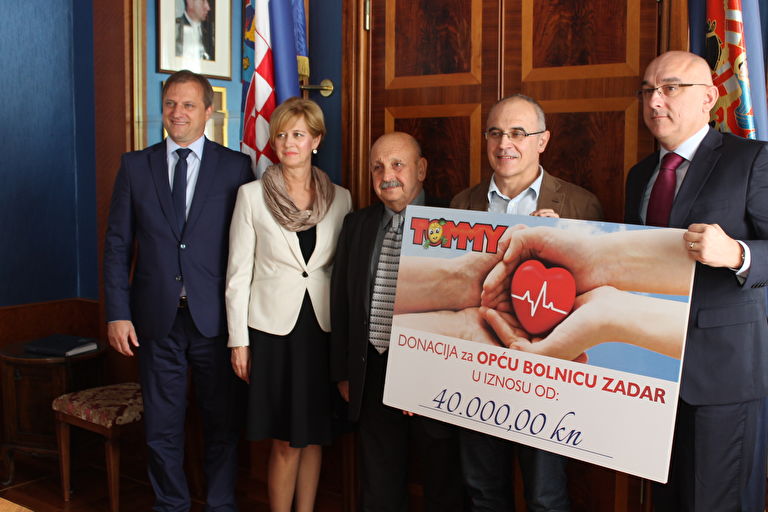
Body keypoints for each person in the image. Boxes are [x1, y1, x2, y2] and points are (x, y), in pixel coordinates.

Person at [623, 50, 768, 512]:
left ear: (708, 97)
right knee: (664, 500)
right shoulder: (640, 175)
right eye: (648, 90)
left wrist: (738, 254)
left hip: (721, 377)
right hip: (651, 372)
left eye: (669, 88)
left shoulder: (752, 159)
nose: (654, 101)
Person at [104, 70, 252, 511]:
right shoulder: (135, 166)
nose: (177, 112)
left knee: (222, 424)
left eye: (188, 104)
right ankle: (171, 505)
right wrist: (117, 312)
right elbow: (117, 245)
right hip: (155, 320)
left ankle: (220, 505)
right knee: (161, 428)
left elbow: (247, 248)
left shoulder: (236, 167)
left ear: (209, 111)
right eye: (170, 103)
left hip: (215, 321)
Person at [450, 94, 604, 512]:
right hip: (477, 373)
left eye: (518, 133)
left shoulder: (580, 205)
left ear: (542, 141)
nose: (505, 144)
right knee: (483, 493)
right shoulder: (461, 205)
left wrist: (563, 244)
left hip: (545, 378)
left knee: (545, 497)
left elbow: (594, 291)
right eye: (496, 133)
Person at [226, 97, 351, 512]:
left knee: (314, 435)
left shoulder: (341, 199)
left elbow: (340, 273)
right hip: (273, 334)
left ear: (316, 140)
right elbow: (238, 275)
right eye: (281, 134)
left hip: (321, 331)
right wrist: (238, 342)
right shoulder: (251, 196)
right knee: (284, 441)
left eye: (298, 134)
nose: (288, 142)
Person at [330, 132, 465, 511]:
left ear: (421, 169)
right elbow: (341, 300)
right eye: (378, 167)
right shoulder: (357, 225)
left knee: (442, 479)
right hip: (372, 368)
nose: (387, 175)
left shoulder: (455, 223)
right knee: (379, 480)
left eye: (397, 164)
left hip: (434, 375)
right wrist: (344, 372)